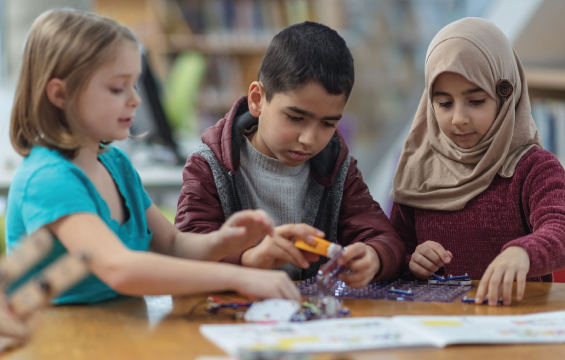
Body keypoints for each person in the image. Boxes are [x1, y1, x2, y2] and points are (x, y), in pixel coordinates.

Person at [6, 9, 302, 305]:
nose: (135, 99)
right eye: (117, 88)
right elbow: (118, 267)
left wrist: (223, 241)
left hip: (119, 332)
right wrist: (236, 276)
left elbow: (171, 244)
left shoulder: (115, 165)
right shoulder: (48, 179)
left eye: (134, 84)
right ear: (60, 95)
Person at [175, 21, 405, 286]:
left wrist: (374, 256)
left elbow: (385, 239)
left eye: (328, 124)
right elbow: (186, 252)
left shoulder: (338, 169)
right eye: (296, 118)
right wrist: (249, 260)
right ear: (257, 99)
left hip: (307, 319)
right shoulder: (209, 166)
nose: (309, 139)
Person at [389, 17, 565, 306]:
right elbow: (394, 250)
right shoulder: (417, 170)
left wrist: (522, 252)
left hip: (516, 329)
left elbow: (559, 227)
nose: (459, 118)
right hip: (439, 331)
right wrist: (412, 262)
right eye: (444, 103)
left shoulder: (534, 168)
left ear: (505, 96)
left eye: (476, 101)